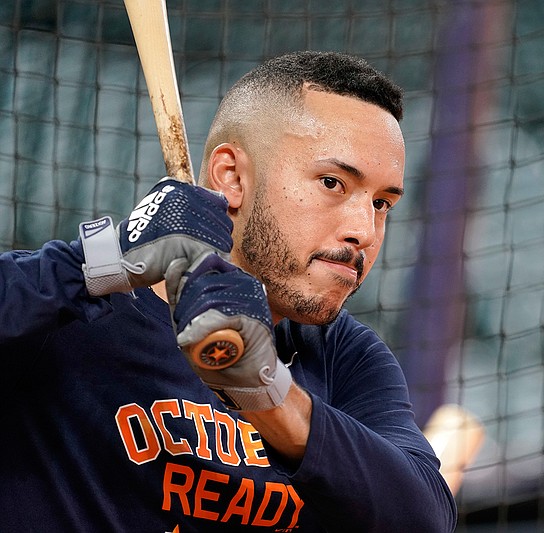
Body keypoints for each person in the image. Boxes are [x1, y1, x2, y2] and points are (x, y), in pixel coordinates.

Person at [0, 51, 457, 532]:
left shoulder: (342, 354)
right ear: (232, 177)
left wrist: (265, 393)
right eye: (332, 183)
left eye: (382, 203)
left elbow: (425, 516)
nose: (365, 230)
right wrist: (102, 261)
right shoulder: (69, 311)